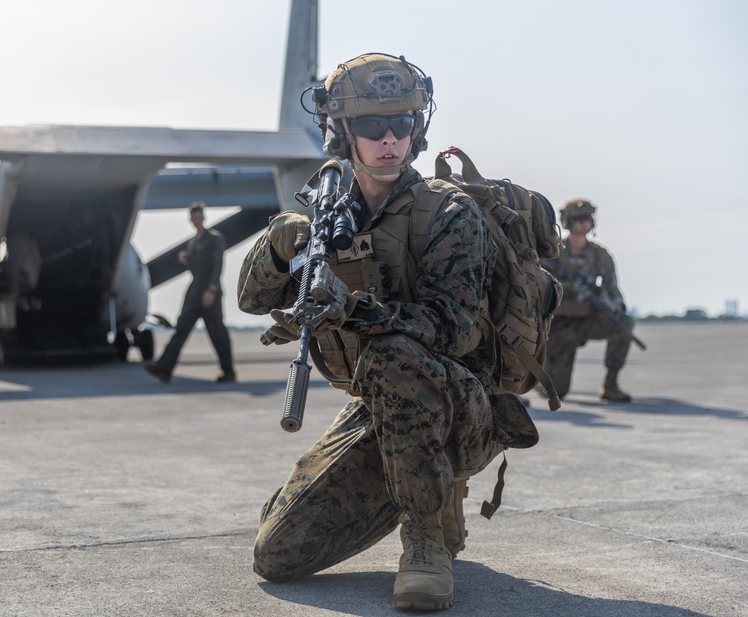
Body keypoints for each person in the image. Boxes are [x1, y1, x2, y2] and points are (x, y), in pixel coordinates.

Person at [237, 53, 532, 611]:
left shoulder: (448, 214)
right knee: (277, 556)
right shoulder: (326, 215)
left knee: (394, 353)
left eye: (403, 124)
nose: (390, 138)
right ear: (342, 132)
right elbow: (251, 299)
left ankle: (425, 540)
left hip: (459, 401)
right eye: (374, 127)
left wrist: (353, 310)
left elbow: (454, 328)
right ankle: (423, 483)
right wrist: (280, 244)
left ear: (418, 130)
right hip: (379, 403)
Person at [540, 199, 635, 402]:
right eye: (579, 220)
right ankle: (540, 379)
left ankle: (611, 385)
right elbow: (537, 283)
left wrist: (616, 305)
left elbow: (612, 287)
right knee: (557, 391)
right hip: (558, 323)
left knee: (624, 324)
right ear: (567, 222)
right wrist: (565, 287)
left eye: (588, 219)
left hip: (587, 317)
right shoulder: (551, 252)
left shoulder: (600, 255)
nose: (584, 224)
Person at [145, 202, 236, 383]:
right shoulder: (193, 242)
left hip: (209, 291)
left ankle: (228, 372)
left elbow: (218, 264)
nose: (197, 220)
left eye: (200, 216)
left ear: (204, 217)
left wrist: (212, 288)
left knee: (217, 333)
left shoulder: (214, 238)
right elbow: (196, 268)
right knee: (181, 329)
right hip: (194, 291)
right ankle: (164, 368)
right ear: (191, 219)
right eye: (194, 217)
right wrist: (186, 259)